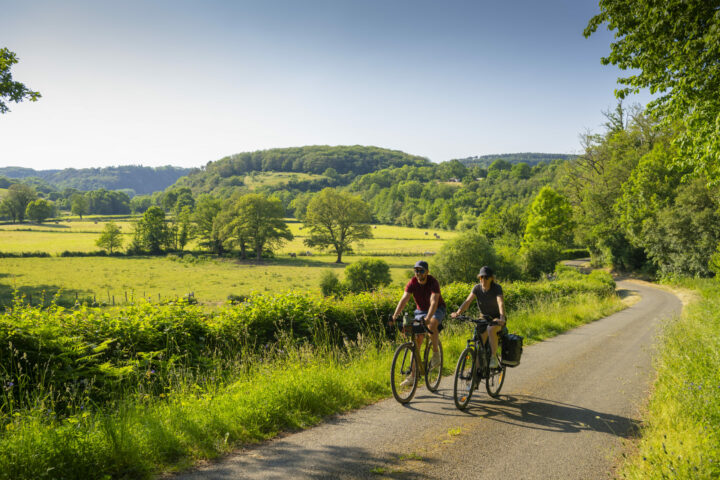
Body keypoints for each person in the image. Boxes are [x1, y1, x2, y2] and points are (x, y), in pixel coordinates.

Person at [391, 260, 446, 386]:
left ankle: (436, 354)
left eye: (421, 270)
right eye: (416, 270)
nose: (418, 273)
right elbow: (404, 299)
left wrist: (428, 318)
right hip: (420, 311)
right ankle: (412, 376)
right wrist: (395, 315)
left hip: (437, 308)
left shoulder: (433, 282)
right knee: (416, 340)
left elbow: (434, 302)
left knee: (431, 324)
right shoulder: (412, 282)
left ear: (427, 272)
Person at [451, 265, 506, 368]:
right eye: (481, 277)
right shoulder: (477, 288)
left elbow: (500, 303)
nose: (483, 280)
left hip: (497, 318)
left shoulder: (497, 288)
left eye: (486, 277)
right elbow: (467, 301)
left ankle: (493, 357)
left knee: (490, 329)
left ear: (491, 278)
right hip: (484, 318)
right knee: (479, 345)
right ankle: (475, 375)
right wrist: (458, 313)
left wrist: (502, 317)